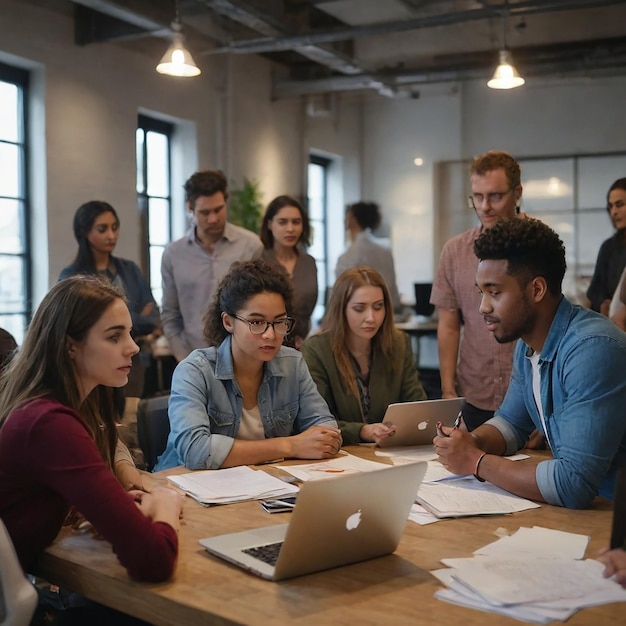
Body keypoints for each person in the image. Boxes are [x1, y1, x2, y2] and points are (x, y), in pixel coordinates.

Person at [0, 276, 182, 621]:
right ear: (71, 346)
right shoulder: (50, 423)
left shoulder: (51, 408)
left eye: (129, 333)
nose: (133, 347)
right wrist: (166, 508)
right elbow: (153, 561)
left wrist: (104, 507)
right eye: (114, 336)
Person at [434, 218, 626, 509]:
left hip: (610, 518)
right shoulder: (527, 344)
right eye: (480, 292)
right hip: (584, 517)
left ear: (536, 290)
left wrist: (476, 461)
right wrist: (471, 441)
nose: (483, 307)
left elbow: (572, 484)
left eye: (495, 292)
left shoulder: (592, 349)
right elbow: (511, 423)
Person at [155, 259, 341, 471]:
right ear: (228, 322)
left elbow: (327, 430)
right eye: (256, 322)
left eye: (279, 322)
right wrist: (289, 445)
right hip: (185, 488)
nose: (270, 335)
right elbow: (196, 451)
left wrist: (317, 441)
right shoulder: (195, 371)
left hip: (265, 485)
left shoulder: (293, 364)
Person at [430, 150, 524, 431]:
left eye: (495, 196)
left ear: (517, 192)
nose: (485, 206)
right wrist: (448, 390)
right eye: (477, 197)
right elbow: (448, 326)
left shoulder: (537, 244)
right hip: (473, 392)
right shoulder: (456, 251)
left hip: (526, 394)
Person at [302, 267, 427, 445]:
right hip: (342, 453)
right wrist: (362, 431)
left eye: (378, 307)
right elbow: (316, 420)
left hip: (391, 450)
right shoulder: (317, 349)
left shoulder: (399, 343)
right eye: (359, 308)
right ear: (341, 309)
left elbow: (417, 405)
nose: (371, 317)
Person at [59, 200, 160, 396]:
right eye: (102, 229)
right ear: (85, 232)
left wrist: (114, 323)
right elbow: (78, 324)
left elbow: (154, 316)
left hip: (134, 363)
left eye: (115, 228)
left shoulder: (129, 269)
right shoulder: (73, 276)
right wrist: (136, 317)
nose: (111, 235)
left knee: (130, 421)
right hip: (90, 366)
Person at [161, 170, 263, 362]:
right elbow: (170, 315)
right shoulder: (173, 254)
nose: (213, 219)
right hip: (192, 357)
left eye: (218, 209)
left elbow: (259, 307)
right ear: (190, 207)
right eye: (205, 212)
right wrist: (184, 359)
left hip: (243, 357)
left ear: (226, 201)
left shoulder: (250, 246)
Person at [260, 195, 318, 349]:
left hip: (302, 345)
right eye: (282, 222)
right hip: (266, 342)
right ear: (270, 224)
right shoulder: (259, 262)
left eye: (296, 222)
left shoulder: (309, 262)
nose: (291, 228)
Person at [335, 201, 402, 313]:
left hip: (362, 312)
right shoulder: (385, 250)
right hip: (388, 309)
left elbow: (342, 292)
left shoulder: (349, 255)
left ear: (352, 219)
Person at [586, 178, 626, 316]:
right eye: (610, 206)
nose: (614, 212)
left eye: (619, 204)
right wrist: (603, 302)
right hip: (612, 324)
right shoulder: (609, 247)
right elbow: (595, 289)